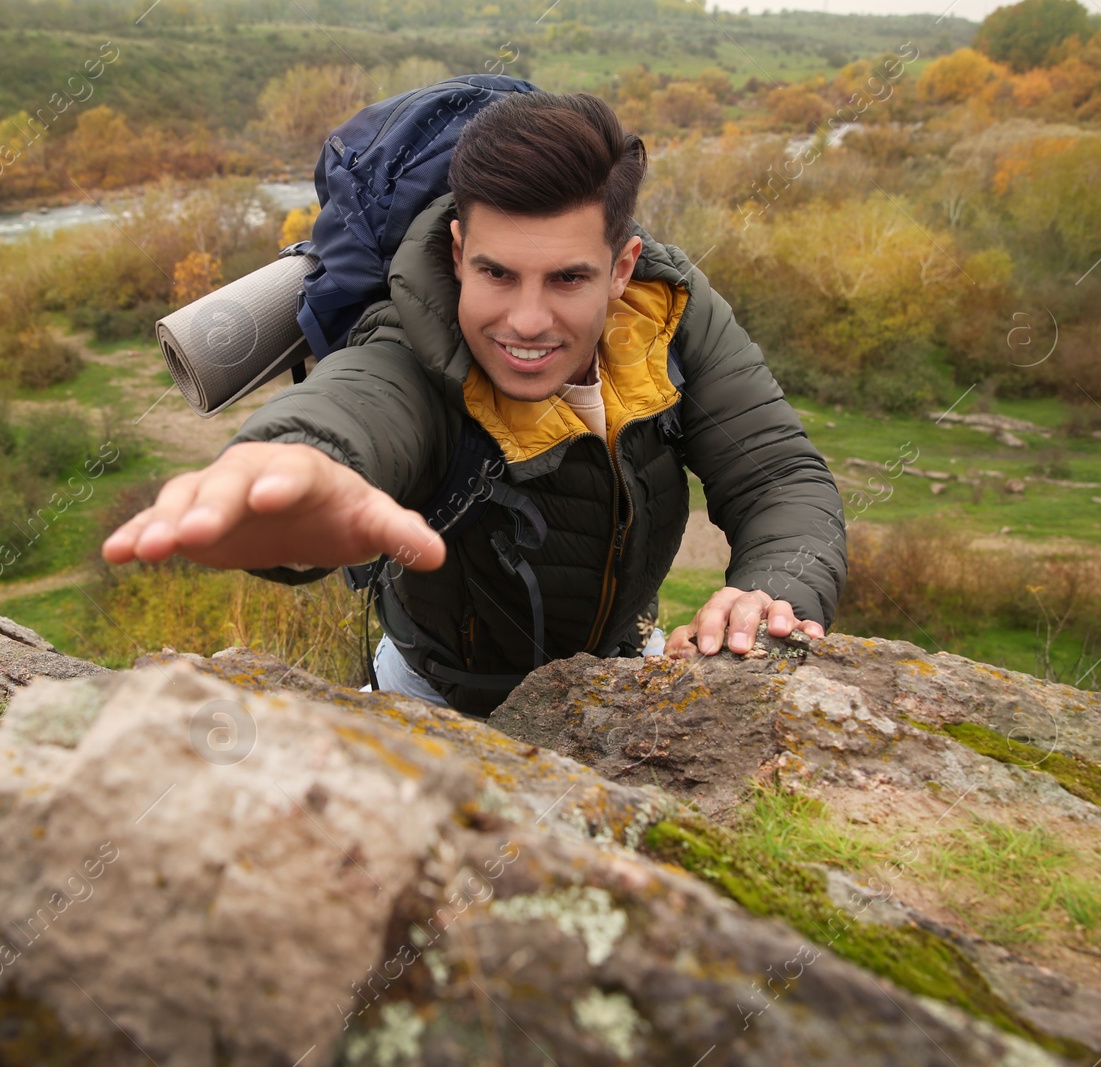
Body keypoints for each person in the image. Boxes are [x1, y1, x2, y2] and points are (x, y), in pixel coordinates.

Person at [102, 91, 846, 716]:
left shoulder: (670, 313)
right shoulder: (412, 332)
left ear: (621, 269)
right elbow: (361, 401)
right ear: (457, 255)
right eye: (495, 272)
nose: (524, 321)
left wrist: (770, 594)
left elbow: (777, 475)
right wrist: (291, 471)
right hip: (436, 701)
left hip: (627, 667)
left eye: (566, 279)